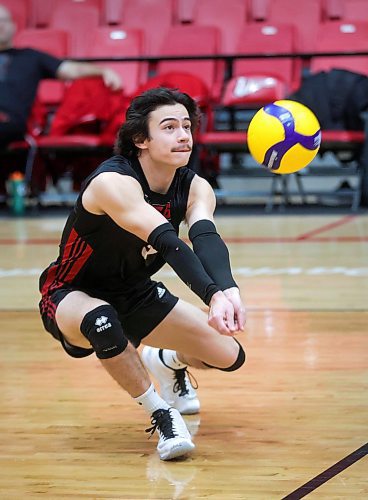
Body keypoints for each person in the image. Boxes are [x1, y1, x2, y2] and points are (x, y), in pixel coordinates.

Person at [39, 87, 246, 461]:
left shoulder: (195, 186)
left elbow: (204, 236)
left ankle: (167, 361)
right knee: (102, 321)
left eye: (187, 126)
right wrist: (211, 294)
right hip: (71, 293)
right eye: (169, 127)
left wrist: (228, 290)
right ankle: (161, 414)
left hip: (136, 292)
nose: (183, 135)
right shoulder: (112, 183)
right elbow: (168, 243)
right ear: (141, 139)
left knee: (229, 354)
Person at [0, 4, 122, 148]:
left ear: (13, 26)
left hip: (10, 123)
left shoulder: (31, 57)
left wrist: (102, 71)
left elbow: (68, 69)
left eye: (3, 20)